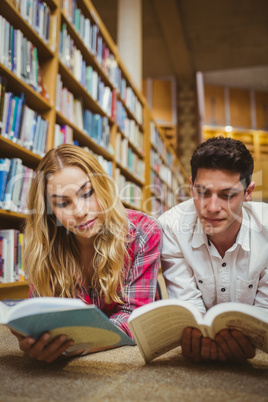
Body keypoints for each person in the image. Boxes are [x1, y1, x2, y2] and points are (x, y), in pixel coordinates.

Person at [12, 144, 162, 362]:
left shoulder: (143, 231)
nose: (81, 212)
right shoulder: (42, 245)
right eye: (63, 203)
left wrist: (75, 343)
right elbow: (42, 314)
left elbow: (136, 318)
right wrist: (33, 337)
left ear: (102, 186)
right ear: (49, 211)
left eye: (88, 193)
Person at [159, 136, 268, 363]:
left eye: (228, 195)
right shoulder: (171, 226)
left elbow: (264, 319)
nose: (212, 207)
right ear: (190, 187)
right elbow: (189, 310)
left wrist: (251, 340)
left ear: (248, 192)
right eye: (203, 192)